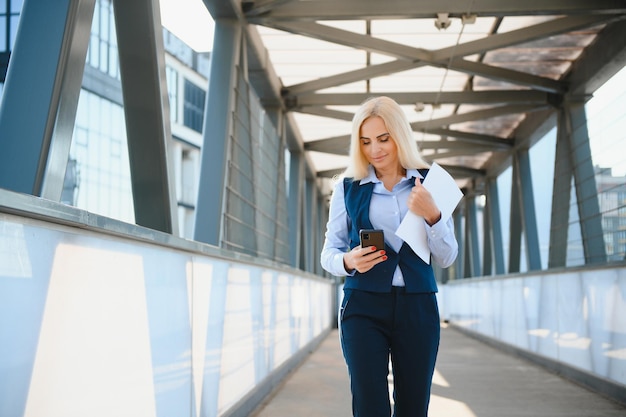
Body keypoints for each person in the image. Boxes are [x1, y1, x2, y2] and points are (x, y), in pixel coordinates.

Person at [320, 96, 458, 417]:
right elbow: (329, 253)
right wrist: (348, 261)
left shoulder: (431, 181)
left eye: (383, 139)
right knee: (369, 406)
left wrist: (433, 215)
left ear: (400, 135)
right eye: (365, 142)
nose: (375, 150)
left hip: (418, 307)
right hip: (363, 306)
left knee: (413, 407)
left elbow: (448, 257)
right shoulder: (346, 187)